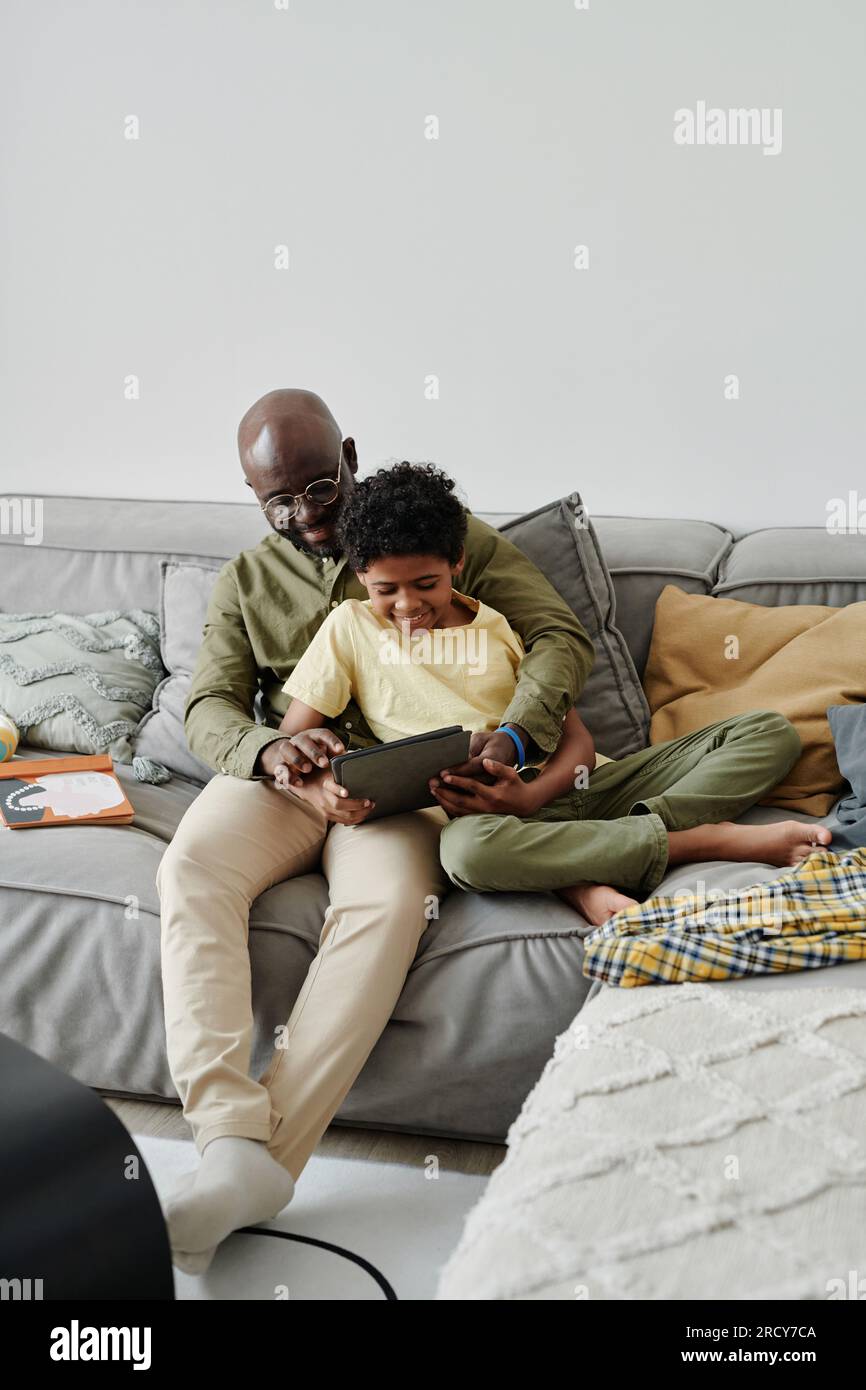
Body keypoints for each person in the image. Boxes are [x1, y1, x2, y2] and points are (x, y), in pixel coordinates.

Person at [155, 388, 595, 1272]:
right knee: (190, 868)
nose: (307, 516)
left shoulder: (444, 539)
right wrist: (272, 752)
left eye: (320, 488)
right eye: (280, 502)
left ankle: (257, 1172)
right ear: (254, 499)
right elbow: (208, 705)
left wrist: (515, 736)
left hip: (402, 786)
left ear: (349, 457)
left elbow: (558, 637)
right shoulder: (247, 580)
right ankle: (230, 1140)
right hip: (290, 774)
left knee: (389, 910)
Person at [278, 462, 831, 934]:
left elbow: (578, 742)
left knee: (768, 732)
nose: (407, 605)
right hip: (484, 819)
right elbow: (292, 737)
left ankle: (599, 852)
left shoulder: (498, 628)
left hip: (581, 790)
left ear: (457, 563)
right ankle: (694, 842)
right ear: (360, 576)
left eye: (426, 584)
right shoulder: (348, 628)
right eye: (386, 590)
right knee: (467, 854)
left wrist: (533, 796)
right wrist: (321, 779)